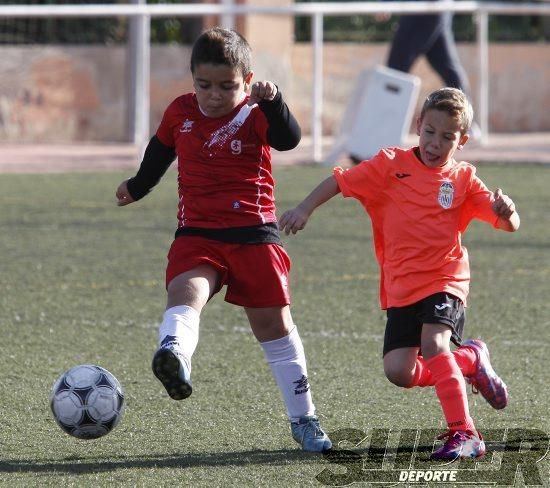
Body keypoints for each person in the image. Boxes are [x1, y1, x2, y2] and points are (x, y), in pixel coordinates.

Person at [115, 27, 331, 453]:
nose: (213, 95)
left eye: (227, 86)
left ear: (247, 81)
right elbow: (160, 153)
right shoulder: (180, 111)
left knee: (274, 329)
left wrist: (275, 102)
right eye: (204, 85)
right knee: (185, 292)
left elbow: (288, 139)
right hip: (198, 233)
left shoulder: (255, 112)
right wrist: (138, 187)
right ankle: (174, 354)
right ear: (192, 78)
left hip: (254, 235)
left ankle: (304, 420)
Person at [279, 87, 520, 460]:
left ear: (463, 141)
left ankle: (465, 433)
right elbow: (340, 181)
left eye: (447, 137)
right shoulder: (389, 165)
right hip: (402, 287)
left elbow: (508, 223)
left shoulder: (463, 179)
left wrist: (508, 210)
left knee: (434, 345)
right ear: (418, 124)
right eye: (429, 131)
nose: (435, 143)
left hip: (445, 278)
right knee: (399, 371)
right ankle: (469, 360)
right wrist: (304, 208)